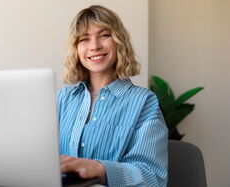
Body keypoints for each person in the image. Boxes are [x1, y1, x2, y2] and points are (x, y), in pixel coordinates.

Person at [57, 5, 168, 187]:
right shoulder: (63, 98)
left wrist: (100, 169)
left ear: (118, 42)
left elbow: (152, 177)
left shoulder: (144, 102)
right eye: (84, 39)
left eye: (104, 35)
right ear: (76, 49)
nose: (95, 46)